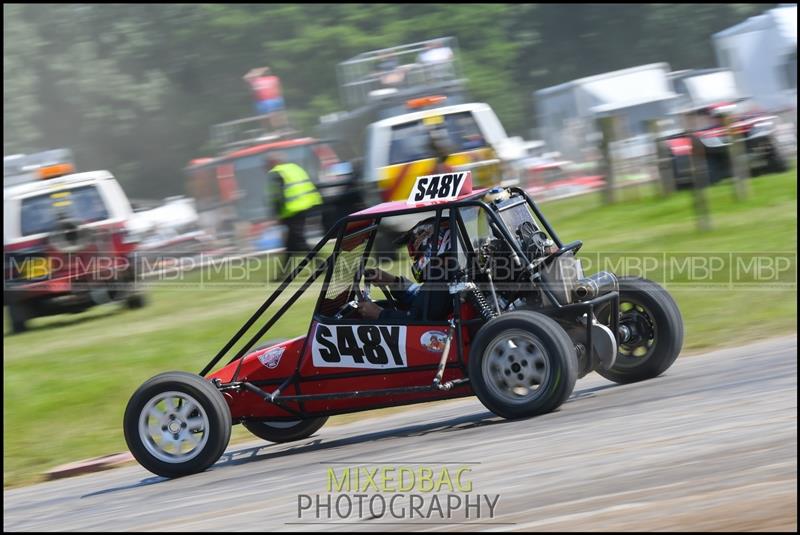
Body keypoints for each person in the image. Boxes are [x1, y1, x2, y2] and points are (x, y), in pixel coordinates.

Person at [356, 217, 455, 321]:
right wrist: (393, 282)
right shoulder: (447, 274)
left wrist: (379, 314)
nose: (414, 256)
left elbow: (417, 319)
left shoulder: (440, 279)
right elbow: (422, 299)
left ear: (431, 245)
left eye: (416, 251)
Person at [264, 153, 323, 277]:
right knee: (291, 244)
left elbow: (277, 197)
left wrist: (277, 215)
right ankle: (283, 274)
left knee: (299, 241)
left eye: (266, 164)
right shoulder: (294, 168)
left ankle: (323, 263)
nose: (265, 167)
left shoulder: (276, 173)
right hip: (306, 205)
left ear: (272, 162)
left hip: (292, 210)